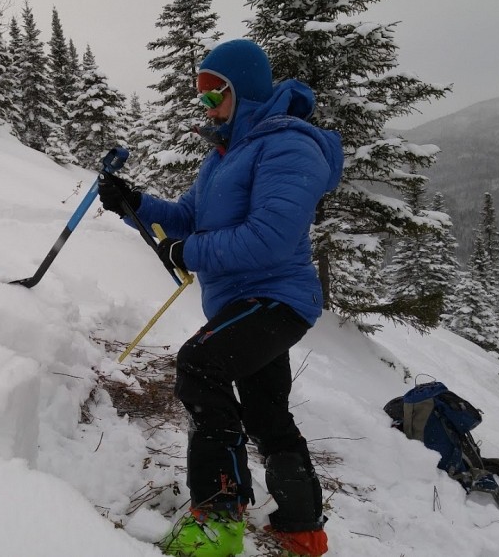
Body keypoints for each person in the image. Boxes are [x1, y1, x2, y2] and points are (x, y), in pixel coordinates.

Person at [98, 39, 343, 557]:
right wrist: (134, 203)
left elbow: (271, 236)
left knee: (200, 366)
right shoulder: (224, 156)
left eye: (216, 91)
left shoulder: (288, 145)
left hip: (277, 299)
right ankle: (302, 529)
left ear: (246, 90)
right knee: (265, 412)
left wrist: (191, 252)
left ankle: (218, 515)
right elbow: (186, 216)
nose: (207, 103)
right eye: (201, 93)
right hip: (241, 305)